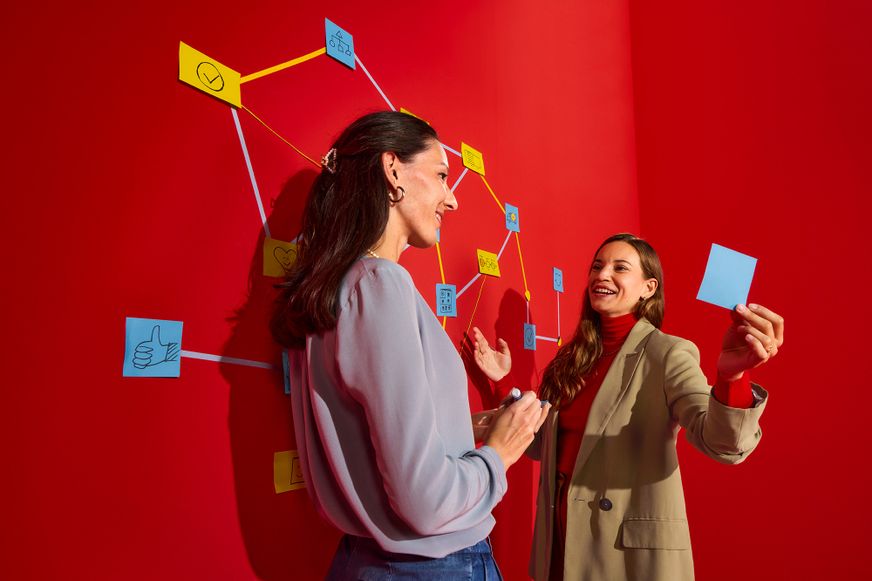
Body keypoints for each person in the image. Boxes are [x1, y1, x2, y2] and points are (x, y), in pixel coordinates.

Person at [270, 111, 550, 580]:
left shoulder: (337, 288)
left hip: (366, 560)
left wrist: (474, 425)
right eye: (441, 175)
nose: (452, 199)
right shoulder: (382, 285)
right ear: (393, 171)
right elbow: (424, 500)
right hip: (431, 566)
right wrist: (499, 453)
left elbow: (376, 433)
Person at [473, 233, 784, 581]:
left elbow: (722, 443)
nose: (602, 275)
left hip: (626, 558)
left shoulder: (667, 353)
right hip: (561, 545)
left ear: (648, 288)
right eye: (597, 266)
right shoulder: (572, 358)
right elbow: (538, 445)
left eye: (619, 268)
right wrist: (502, 383)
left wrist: (732, 377)